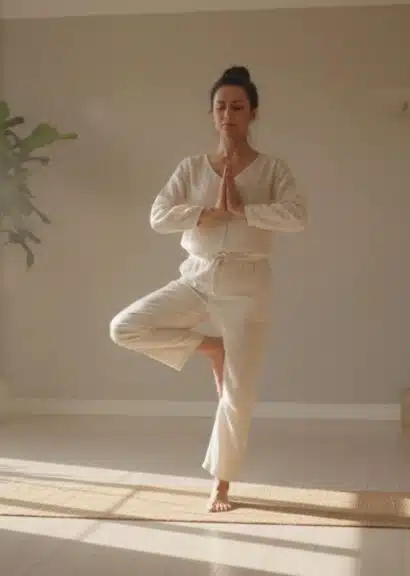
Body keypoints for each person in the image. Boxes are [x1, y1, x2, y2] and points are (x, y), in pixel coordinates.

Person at [109, 65, 307, 513]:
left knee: (238, 393)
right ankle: (209, 348)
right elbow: (158, 216)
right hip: (196, 277)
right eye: (221, 107)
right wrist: (204, 214)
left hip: (248, 287)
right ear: (212, 113)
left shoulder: (273, 169)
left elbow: (297, 216)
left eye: (238, 107)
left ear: (252, 112)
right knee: (125, 327)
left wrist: (246, 210)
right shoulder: (191, 168)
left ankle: (221, 485)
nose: (228, 114)